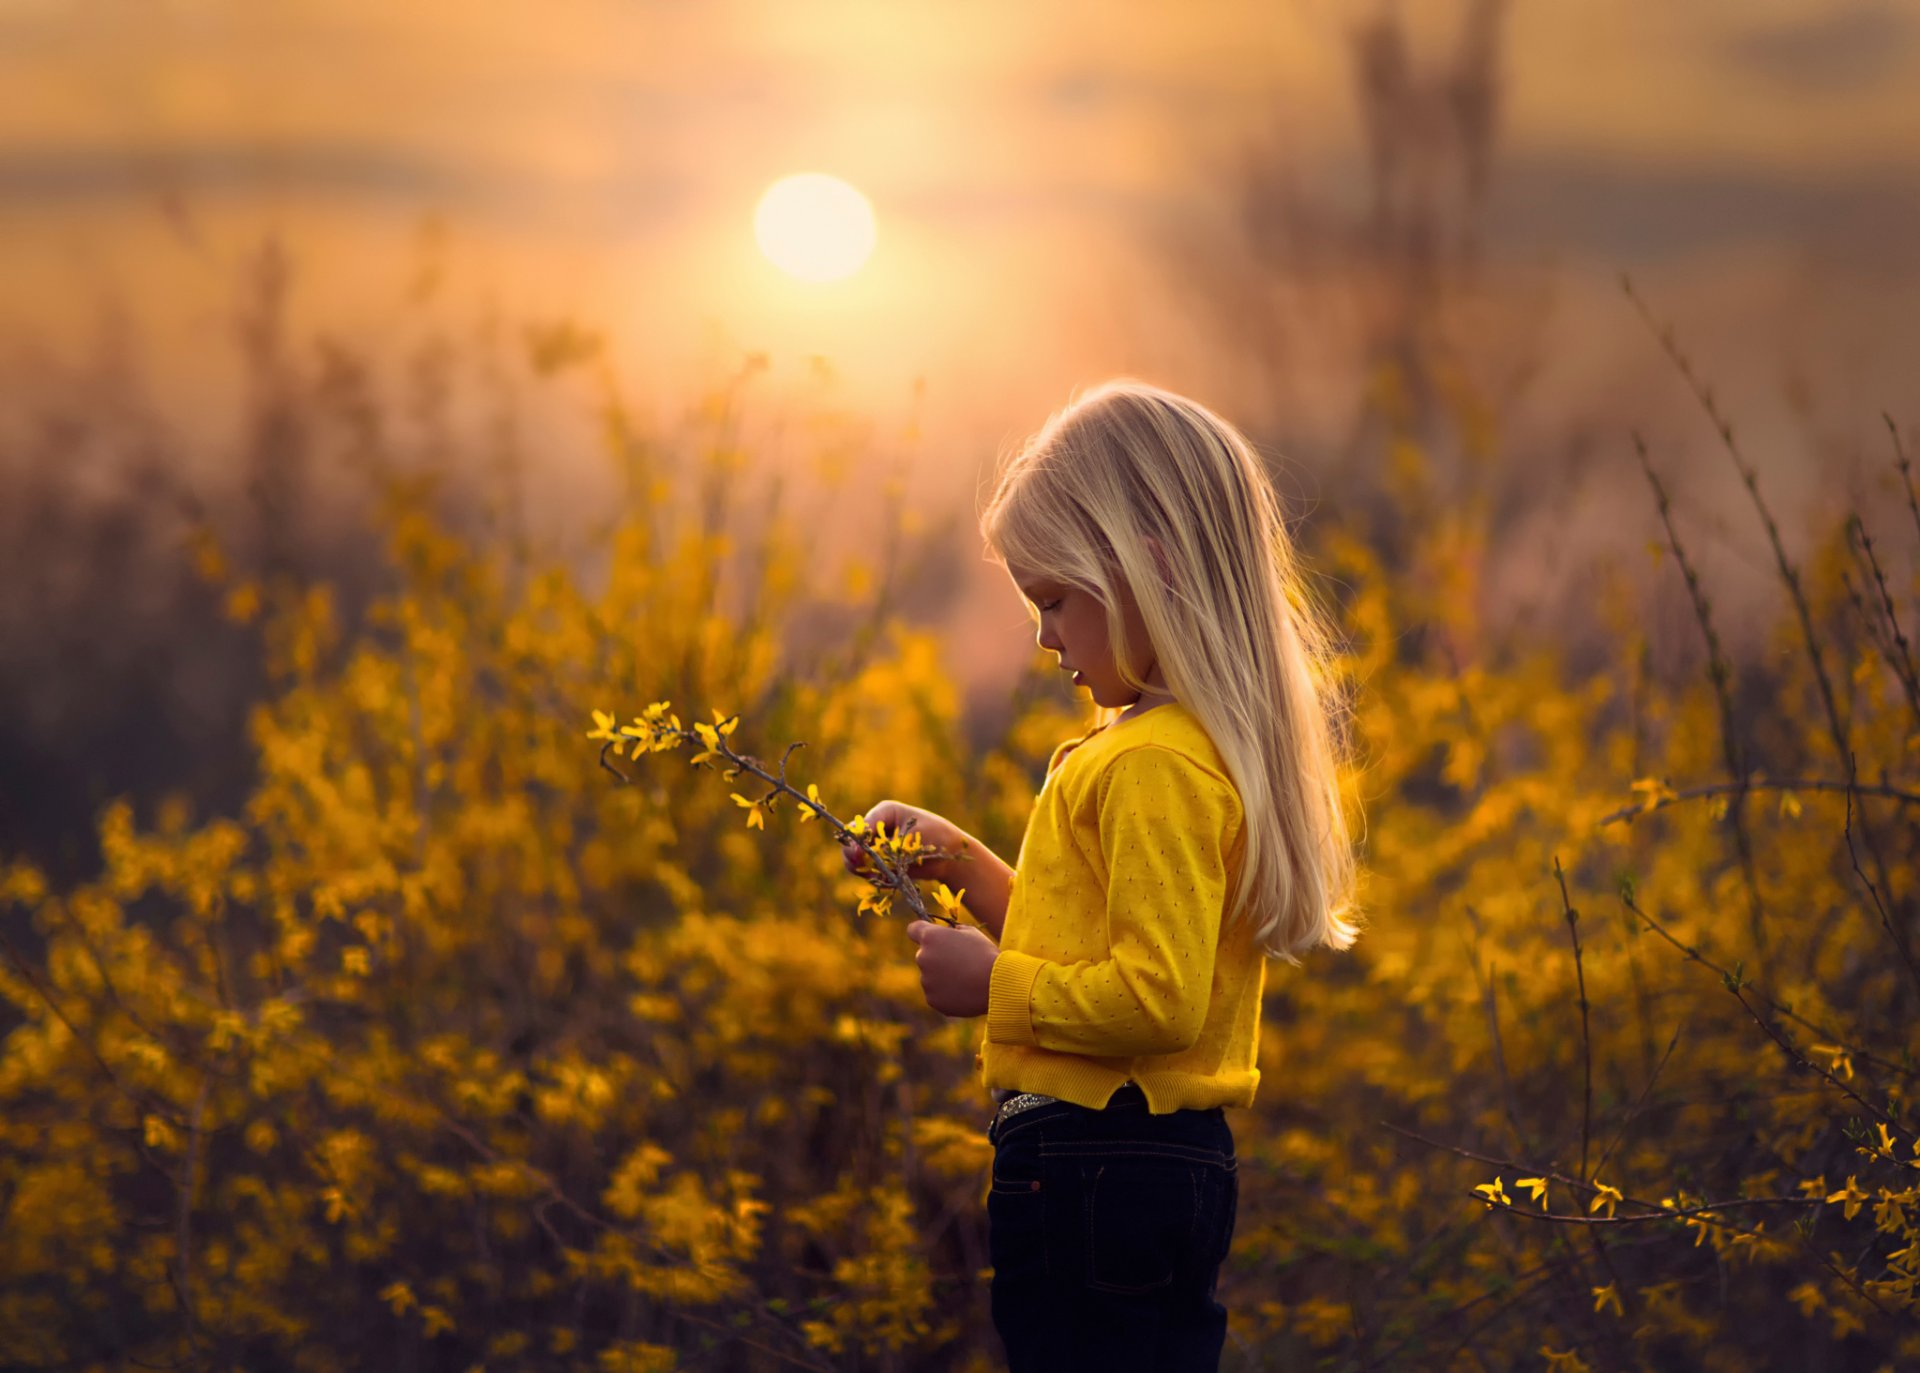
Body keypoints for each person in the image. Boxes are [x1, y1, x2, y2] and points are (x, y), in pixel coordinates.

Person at [841, 379, 1363, 1372]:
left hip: (1098, 1162)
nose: (1044, 637)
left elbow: (1154, 1000)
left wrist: (991, 987)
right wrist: (956, 860)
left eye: (1054, 600)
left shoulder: (1153, 764)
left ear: (1147, 570)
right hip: (1143, 1162)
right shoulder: (1166, 748)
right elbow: (1091, 943)